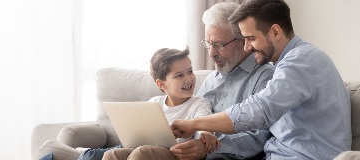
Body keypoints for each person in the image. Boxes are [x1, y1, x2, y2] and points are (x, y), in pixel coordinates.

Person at [171, 0, 352, 159]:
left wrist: (194, 125)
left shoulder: (301, 61)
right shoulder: (288, 63)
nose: (247, 47)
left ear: (275, 32)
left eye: (251, 38)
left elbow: (256, 111)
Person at [103, 2, 274, 160]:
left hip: (218, 156)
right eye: (209, 44)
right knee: (112, 155)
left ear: (242, 41)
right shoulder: (212, 79)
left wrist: (208, 147)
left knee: (142, 154)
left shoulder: (264, 77)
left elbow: (261, 136)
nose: (211, 54)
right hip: (183, 150)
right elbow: (193, 119)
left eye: (219, 45)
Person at [37, 47, 219, 160]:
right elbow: (139, 135)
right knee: (111, 154)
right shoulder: (154, 103)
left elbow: (204, 122)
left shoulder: (198, 103)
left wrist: (204, 133)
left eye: (189, 71)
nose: (189, 78)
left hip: (176, 155)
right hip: (149, 150)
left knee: (142, 153)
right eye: (179, 75)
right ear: (161, 84)